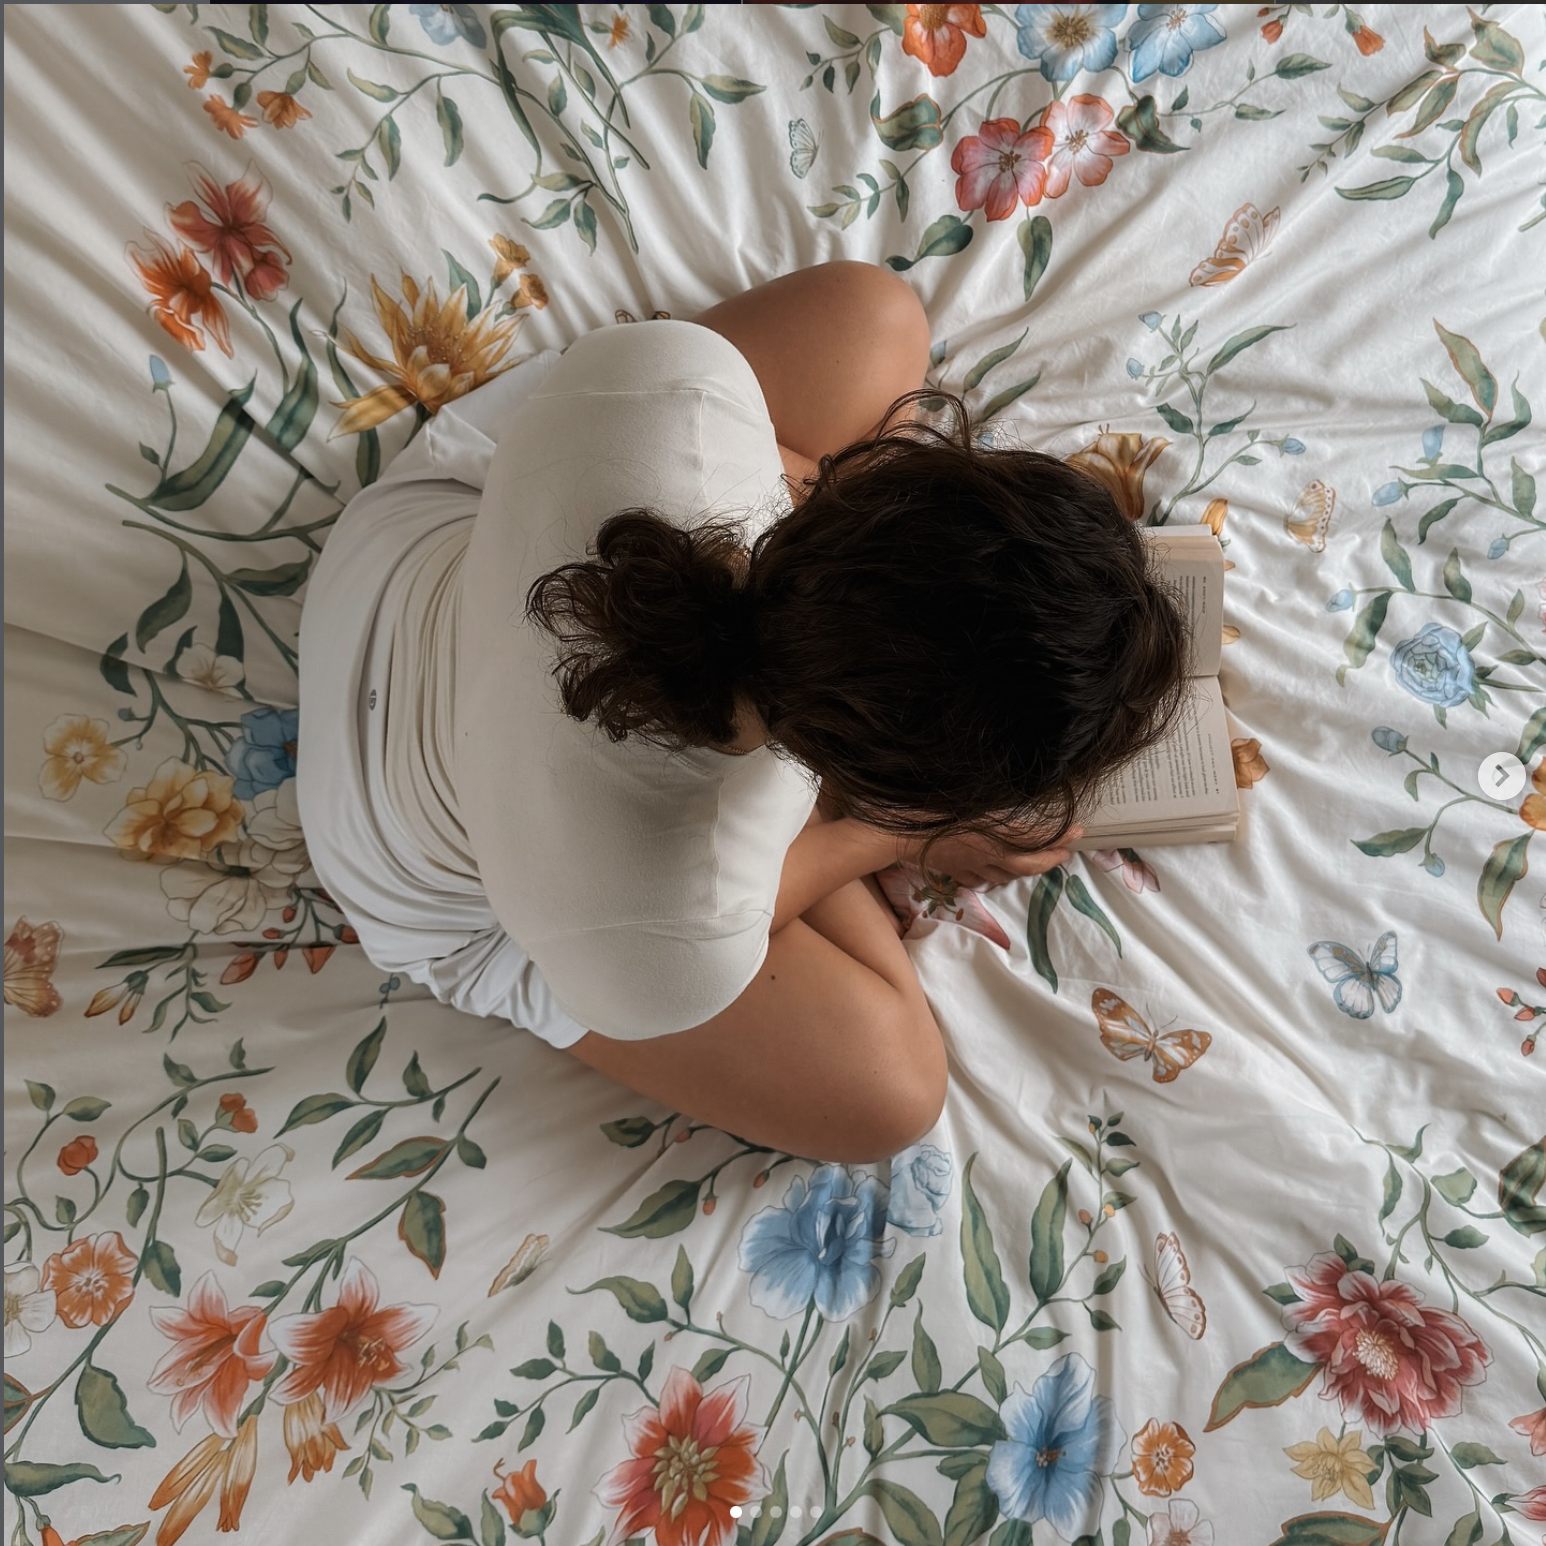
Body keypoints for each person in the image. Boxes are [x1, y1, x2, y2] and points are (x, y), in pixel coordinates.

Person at [296, 261, 1188, 1167]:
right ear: (867, 785)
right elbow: (724, 914)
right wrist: (897, 839)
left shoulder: (679, 385)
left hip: (394, 570)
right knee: (893, 1098)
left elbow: (790, 502)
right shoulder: (670, 939)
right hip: (420, 879)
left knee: (871, 315)